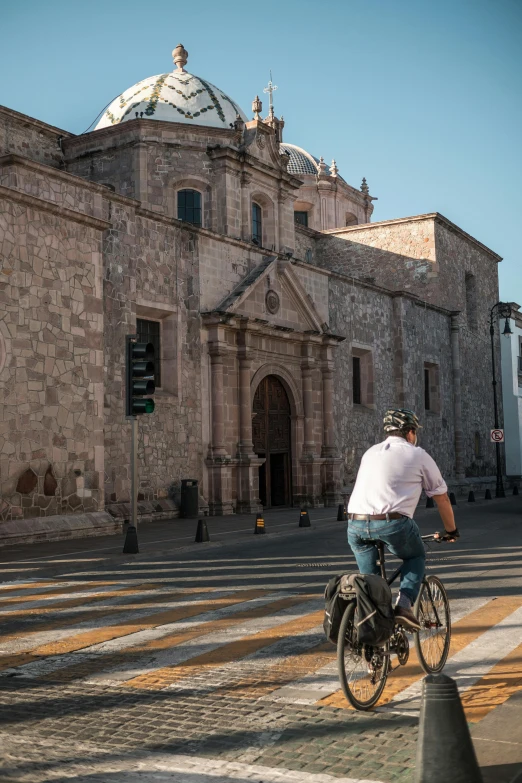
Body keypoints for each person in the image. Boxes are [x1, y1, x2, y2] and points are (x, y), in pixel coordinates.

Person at [347, 408, 459, 630]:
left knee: (372, 584)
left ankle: (373, 651)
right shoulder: (417, 454)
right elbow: (442, 498)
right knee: (416, 556)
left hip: (355, 525)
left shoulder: (370, 452)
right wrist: (451, 531)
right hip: (392, 524)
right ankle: (404, 606)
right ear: (410, 433)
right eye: (415, 432)